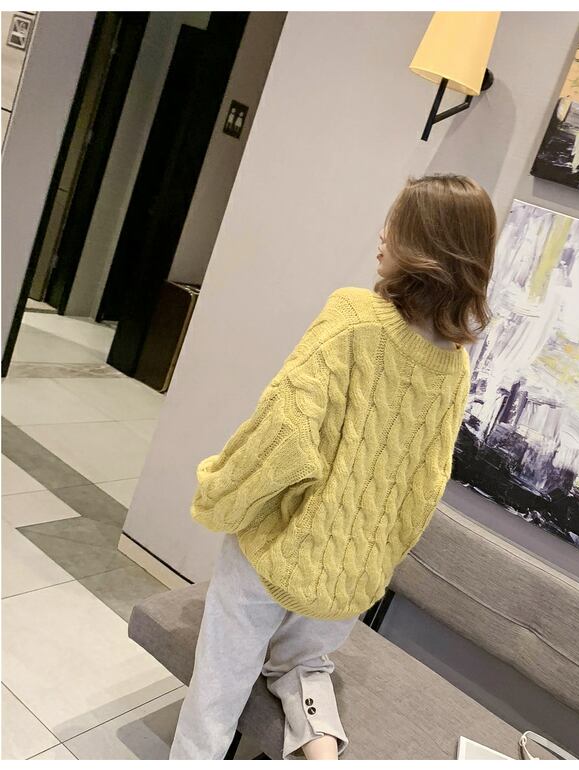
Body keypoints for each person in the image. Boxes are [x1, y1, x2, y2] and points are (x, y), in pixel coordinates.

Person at [169, 173, 497, 760]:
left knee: (215, 698)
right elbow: (424, 488)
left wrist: (217, 494)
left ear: (423, 246)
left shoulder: (354, 316)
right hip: (349, 581)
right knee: (302, 666)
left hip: (276, 551)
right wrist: (370, 562)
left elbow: (283, 435)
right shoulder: (455, 366)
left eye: (396, 224)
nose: (382, 233)